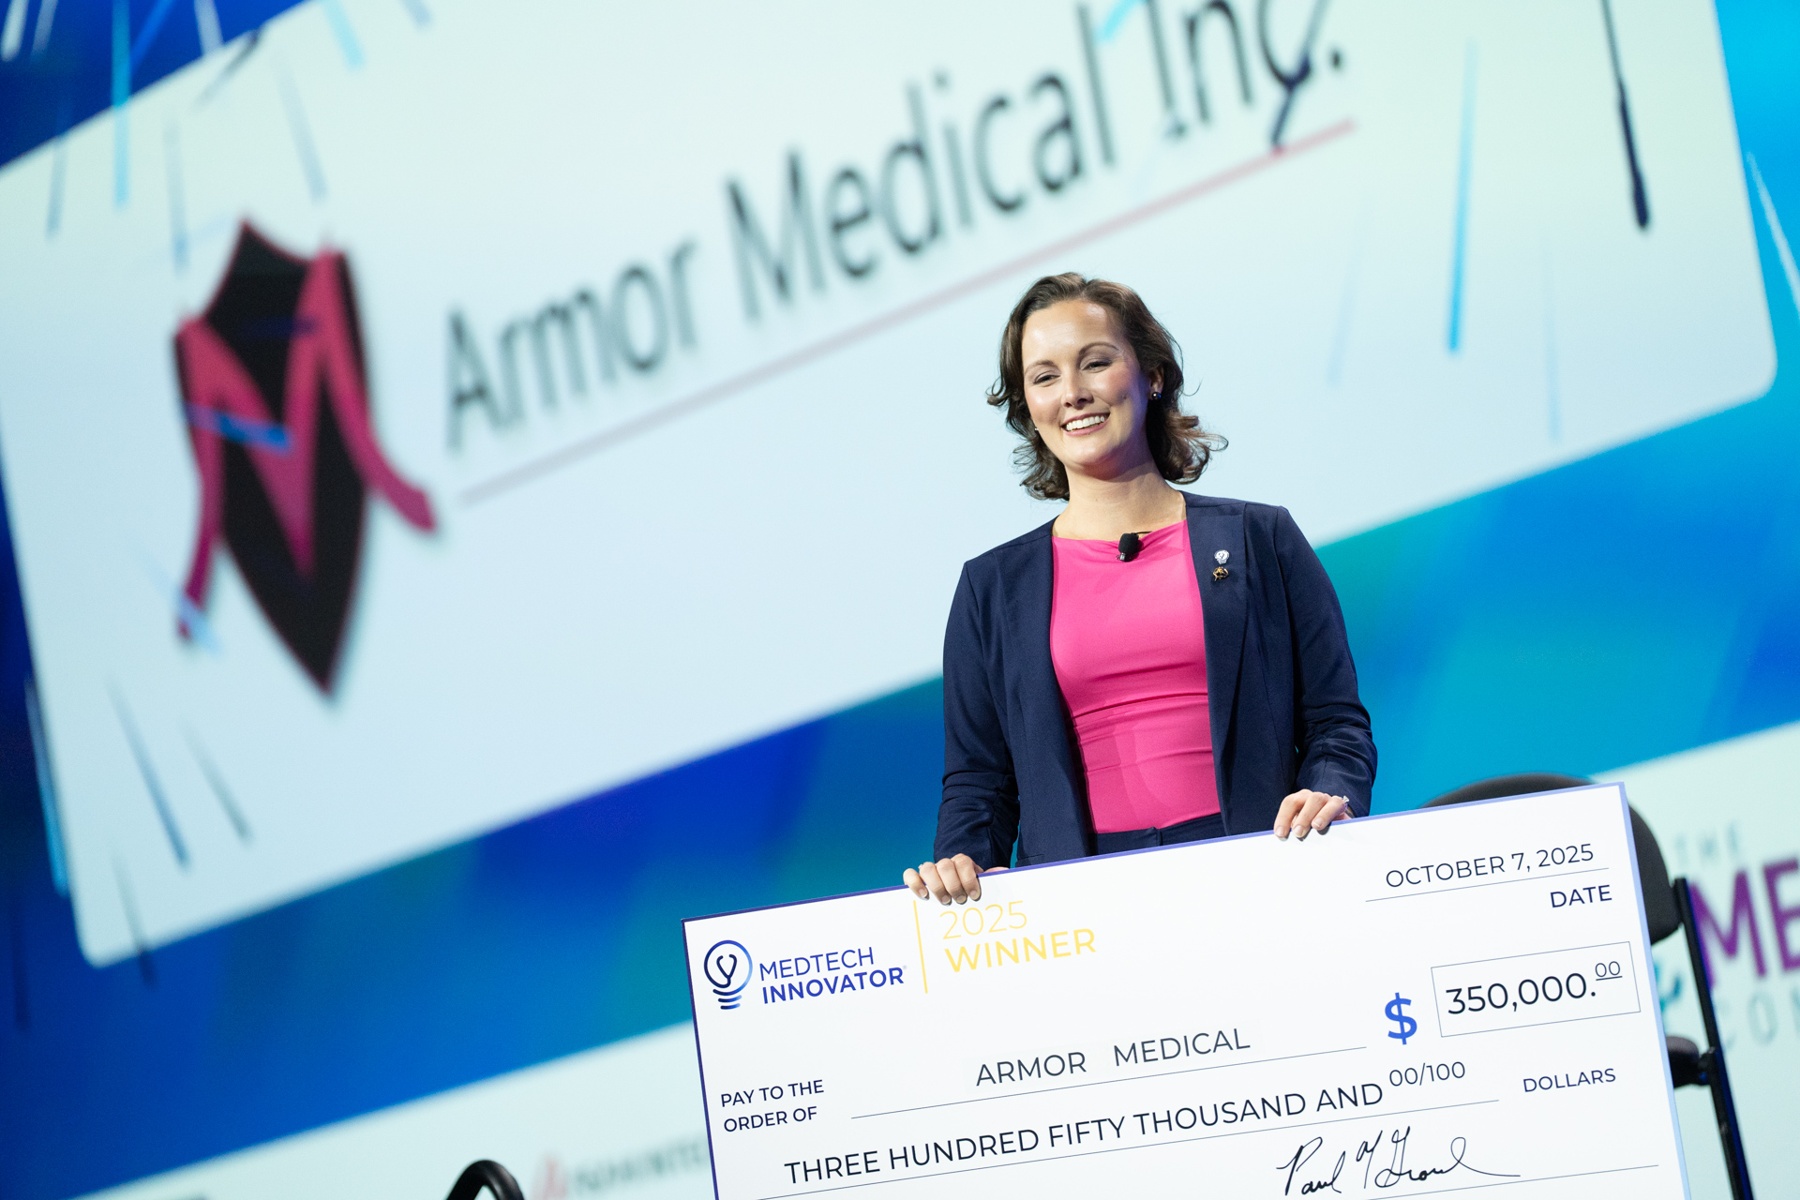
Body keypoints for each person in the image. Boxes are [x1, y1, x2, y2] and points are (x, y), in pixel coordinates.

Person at [904, 273, 1376, 905]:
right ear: (1027, 408)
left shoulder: (1261, 539)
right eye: (1044, 378)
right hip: (1085, 902)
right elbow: (979, 782)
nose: (1072, 394)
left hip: (1265, 870)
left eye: (1095, 363)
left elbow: (1335, 721)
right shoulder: (992, 590)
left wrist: (1330, 791)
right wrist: (962, 865)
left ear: (1152, 375)